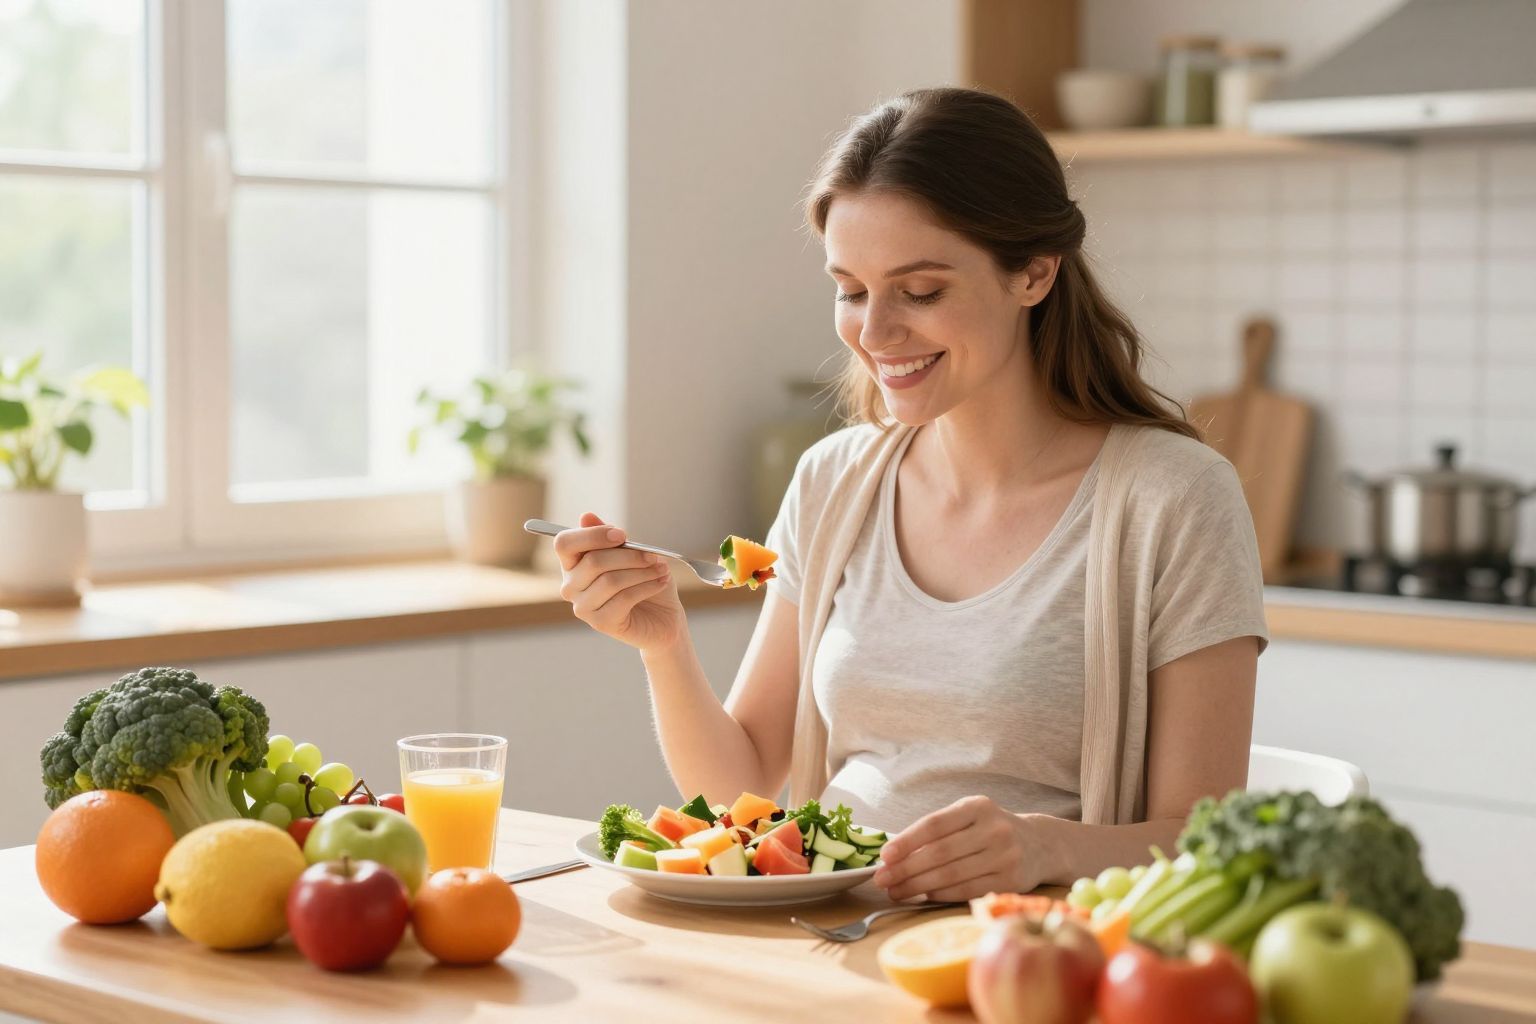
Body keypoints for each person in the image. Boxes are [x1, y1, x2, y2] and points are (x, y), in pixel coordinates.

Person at [553, 87, 1267, 902]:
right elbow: (736, 791)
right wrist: (663, 644)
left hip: (1035, 961)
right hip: (832, 943)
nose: (875, 333)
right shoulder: (835, 482)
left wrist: (1045, 849)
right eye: (851, 290)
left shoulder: (1174, 500)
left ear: (1033, 273)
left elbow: (1210, 842)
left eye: (920, 292)